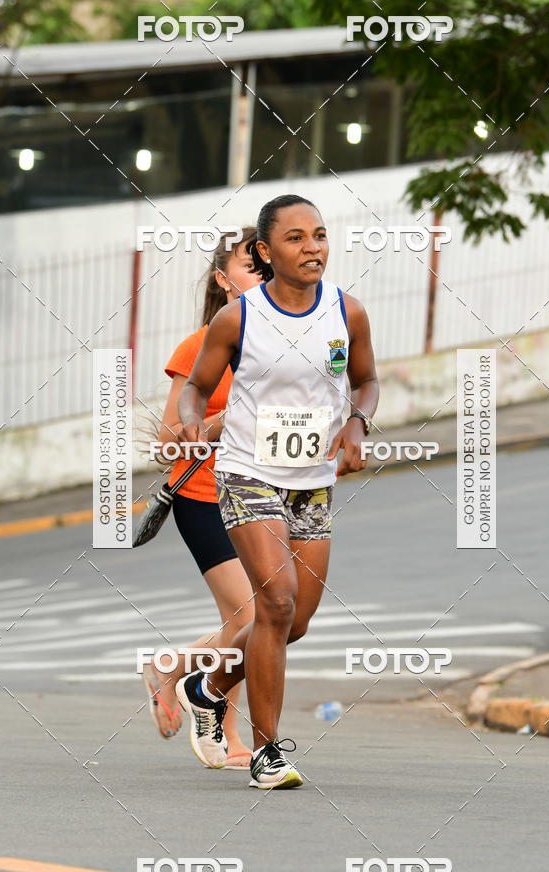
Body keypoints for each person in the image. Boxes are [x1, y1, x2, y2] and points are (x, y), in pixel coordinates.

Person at [175, 194, 379, 789]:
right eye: (295, 238)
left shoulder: (349, 312)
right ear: (266, 251)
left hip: (311, 485)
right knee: (278, 599)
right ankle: (270, 755)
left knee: (296, 621)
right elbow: (196, 387)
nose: (311, 247)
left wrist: (357, 421)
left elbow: (365, 381)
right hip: (247, 474)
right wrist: (191, 419)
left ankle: (207, 687)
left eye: (318, 235)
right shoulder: (238, 318)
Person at [142, 227, 262, 769]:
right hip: (205, 494)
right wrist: (222, 421)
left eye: (269, 261)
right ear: (223, 279)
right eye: (249, 264)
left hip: (266, 496)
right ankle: (174, 672)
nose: (262, 272)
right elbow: (169, 440)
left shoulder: (293, 346)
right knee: (255, 614)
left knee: (252, 622)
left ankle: (221, 732)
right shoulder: (200, 347)